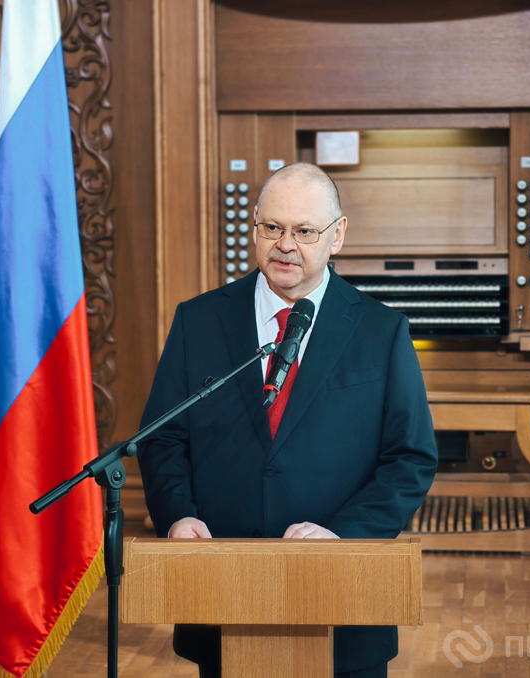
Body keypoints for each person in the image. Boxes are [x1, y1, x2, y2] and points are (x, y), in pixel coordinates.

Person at [137, 163, 438, 678]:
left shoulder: (381, 331)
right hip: (223, 592)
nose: (285, 245)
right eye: (273, 227)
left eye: (304, 231)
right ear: (254, 222)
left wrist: (343, 536)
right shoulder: (198, 320)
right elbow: (162, 437)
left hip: (344, 600)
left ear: (337, 235)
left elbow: (409, 459)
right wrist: (176, 516)